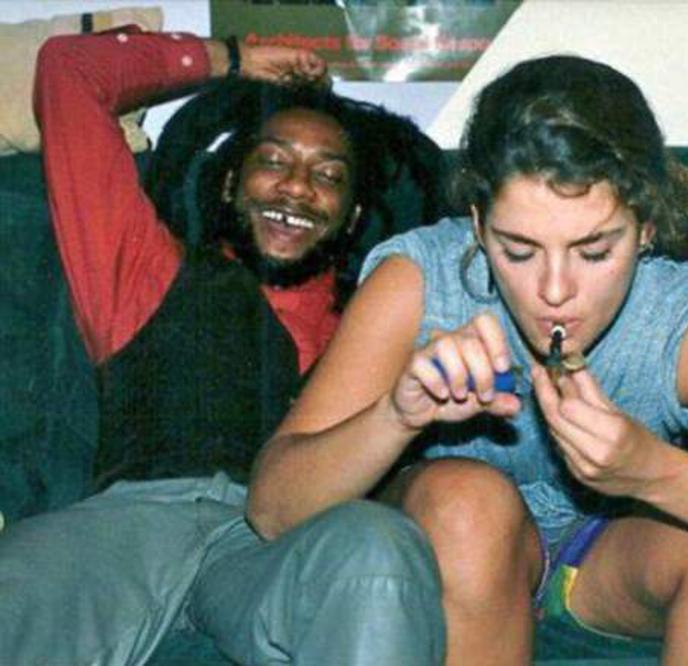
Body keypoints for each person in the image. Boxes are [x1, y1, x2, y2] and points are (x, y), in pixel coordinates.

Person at [246, 54, 688, 665]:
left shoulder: (683, 323)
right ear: (477, 225)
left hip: (599, 564)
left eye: (595, 251)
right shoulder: (421, 283)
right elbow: (274, 509)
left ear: (646, 227)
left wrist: (657, 472)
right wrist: (397, 414)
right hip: (441, 549)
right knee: (468, 500)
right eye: (517, 250)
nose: (555, 290)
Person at [0, 29, 444, 665]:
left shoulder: (377, 323)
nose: (297, 187)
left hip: (283, 546)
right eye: (274, 161)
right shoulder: (144, 268)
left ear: (351, 216)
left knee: (378, 546)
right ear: (231, 181)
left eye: (328, 175)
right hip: (131, 523)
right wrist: (231, 58)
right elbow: (68, 70)